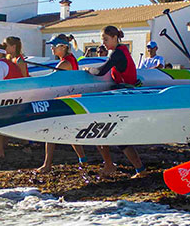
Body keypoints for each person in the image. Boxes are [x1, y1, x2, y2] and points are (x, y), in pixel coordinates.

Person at [87, 26, 146, 177]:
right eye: (103, 40)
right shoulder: (122, 51)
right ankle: (139, 169)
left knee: (100, 128)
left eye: (106, 39)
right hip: (125, 95)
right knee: (119, 137)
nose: (104, 43)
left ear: (114, 38)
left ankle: (110, 166)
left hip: (125, 98)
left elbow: (101, 71)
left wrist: (88, 69)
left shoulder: (118, 54)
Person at [37, 35, 89, 172]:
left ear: (64, 46)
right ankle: (82, 159)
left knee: (51, 130)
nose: (51, 48)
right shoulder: (70, 60)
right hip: (70, 99)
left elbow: (51, 82)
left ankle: (47, 165)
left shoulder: (65, 63)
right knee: (69, 132)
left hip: (64, 100)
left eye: (54, 45)